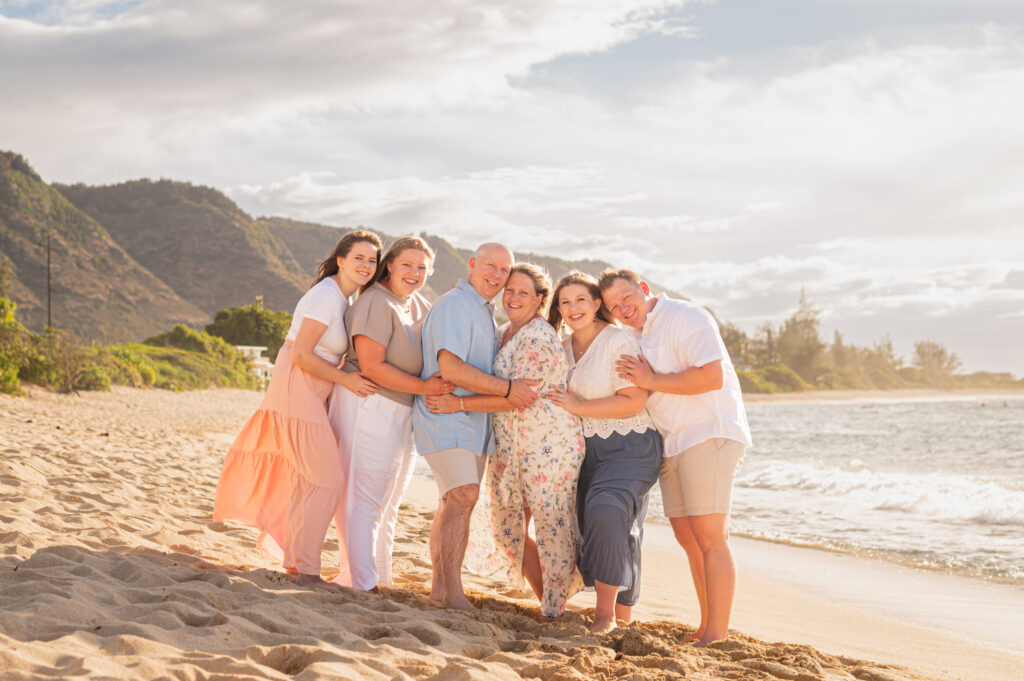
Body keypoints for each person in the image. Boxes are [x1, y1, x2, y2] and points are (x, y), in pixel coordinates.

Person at [213, 230, 383, 592]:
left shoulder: (342, 299)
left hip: (313, 387)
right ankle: (307, 572)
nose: (366, 265)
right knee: (327, 479)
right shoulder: (325, 297)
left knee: (306, 480)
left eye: (372, 260)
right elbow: (303, 355)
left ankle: (296, 564)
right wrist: (347, 381)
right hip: (298, 382)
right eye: (360, 258)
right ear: (341, 260)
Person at [598, 269, 751, 646]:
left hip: (708, 432)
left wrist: (650, 380)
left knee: (710, 536)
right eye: (615, 307)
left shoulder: (686, 317)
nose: (623, 309)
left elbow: (711, 377)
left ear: (644, 289)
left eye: (627, 298)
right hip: (672, 442)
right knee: (687, 537)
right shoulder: (633, 337)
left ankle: (715, 635)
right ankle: (705, 625)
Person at [425, 264, 585, 617]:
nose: (512, 297)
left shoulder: (539, 337)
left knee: (550, 527)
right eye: (509, 291)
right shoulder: (502, 332)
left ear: (540, 299)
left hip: (548, 444)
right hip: (511, 445)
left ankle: (553, 608)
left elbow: (521, 396)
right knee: (506, 528)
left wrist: (459, 404)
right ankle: (553, 599)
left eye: (523, 292)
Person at [411, 242, 538, 611]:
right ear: (472, 264)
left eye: (504, 270)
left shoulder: (484, 311)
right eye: (491, 266)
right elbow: (450, 368)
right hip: (447, 416)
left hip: (471, 423)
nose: (497, 275)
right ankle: (452, 593)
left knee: (452, 501)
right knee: (464, 496)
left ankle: (439, 590)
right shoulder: (455, 305)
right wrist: (510, 390)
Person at [328, 236, 455, 592]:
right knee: (365, 497)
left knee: (389, 501)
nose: (414, 273)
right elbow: (372, 366)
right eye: (407, 265)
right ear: (388, 266)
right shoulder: (375, 302)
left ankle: (379, 577)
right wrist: (427, 389)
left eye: (422, 268)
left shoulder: (418, 304)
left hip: (403, 410)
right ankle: (361, 582)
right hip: (371, 404)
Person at [545, 271, 662, 634]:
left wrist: (578, 405)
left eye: (581, 299)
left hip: (631, 445)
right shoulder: (559, 349)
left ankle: (604, 616)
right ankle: (624, 614)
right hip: (584, 452)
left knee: (607, 510)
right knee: (617, 526)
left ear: (597, 303)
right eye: (565, 302)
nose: (573, 308)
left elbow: (633, 401)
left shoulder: (618, 341)